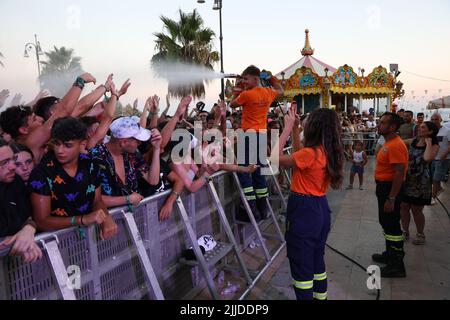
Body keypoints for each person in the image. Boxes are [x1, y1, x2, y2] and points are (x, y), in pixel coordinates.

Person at [273, 107, 344, 301]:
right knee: (316, 262)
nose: (305, 120)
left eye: (308, 119)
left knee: (301, 266)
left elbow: (273, 159)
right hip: (319, 208)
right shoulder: (324, 151)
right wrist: (295, 129)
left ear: (315, 126)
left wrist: (286, 129)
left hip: (304, 211)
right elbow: (299, 157)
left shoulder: (311, 153)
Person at [28, 117, 118, 239]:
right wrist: (81, 220)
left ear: (82, 144)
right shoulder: (42, 173)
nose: (60, 150)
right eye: (56, 143)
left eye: (67, 145)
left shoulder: (91, 165)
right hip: (55, 243)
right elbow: (42, 221)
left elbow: (97, 201)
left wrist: (106, 217)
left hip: (89, 238)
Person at [0, 73, 97, 163]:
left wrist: (104, 88)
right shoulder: (30, 142)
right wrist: (80, 81)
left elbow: (79, 108)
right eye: (34, 119)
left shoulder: (24, 142)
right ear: (23, 130)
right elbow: (64, 110)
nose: (40, 118)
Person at [230, 65, 283, 221]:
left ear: (255, 78)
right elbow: (281, 91)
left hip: (248, 136)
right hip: (261, 135)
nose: (245, 81)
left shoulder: (247, 94)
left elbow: (232, 104)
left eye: (246, 79)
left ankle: (251, 210)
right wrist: (272, 78)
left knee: (245, 170)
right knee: (259, 172)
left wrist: (237, 87)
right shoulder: (268, 92)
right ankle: (263, 208)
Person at [88, 116, 162, 209]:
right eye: (137, 140)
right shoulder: (94, 157)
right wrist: (127, 199)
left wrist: (156, 148)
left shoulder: (133, 155)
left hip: (132, 219)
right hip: (106, 220)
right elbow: (90, 197)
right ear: (124, 142)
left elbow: (153, 180)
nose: (140, 143)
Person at [372, 112, 409, 278]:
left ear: (392, 127)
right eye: (380, 122)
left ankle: (397, 264)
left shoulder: (395, 145)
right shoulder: (388, 143)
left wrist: (392, 198)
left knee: (392, 225)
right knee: (386, 222)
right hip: (383, 187)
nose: (379, 125)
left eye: (383, 123)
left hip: (390, 189)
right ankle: (389, 254)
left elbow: (399, 173)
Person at [0, 138, 42, 263]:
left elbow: (28, 217)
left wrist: (28, 230)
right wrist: (15, 241)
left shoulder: (15, 181)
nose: (13, 166)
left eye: (12, 159)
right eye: (4, 163)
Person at [400, 121, 439, 245]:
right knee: (404, 207)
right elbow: (400, 143)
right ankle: (405, 231)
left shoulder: (434, 144)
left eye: (423, 127)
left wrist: (428, 144)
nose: (419, 128)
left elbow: (427, 158)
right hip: (408, 179)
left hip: (422, 182)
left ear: (430, 131)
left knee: (416, 210)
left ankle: (420, 233)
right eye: (419, 127)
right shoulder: (413, 141)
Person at [430, 113, 450, 204]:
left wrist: (444, 154)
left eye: (436, 119)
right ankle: (440, 189)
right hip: (433, 158)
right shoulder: (431, 131)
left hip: (442, 159)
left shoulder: (447, 131)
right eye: (432, 119)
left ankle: (433, 198)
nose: (434, 121)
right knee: (433, 178)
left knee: (436, 179)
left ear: (440, 120)